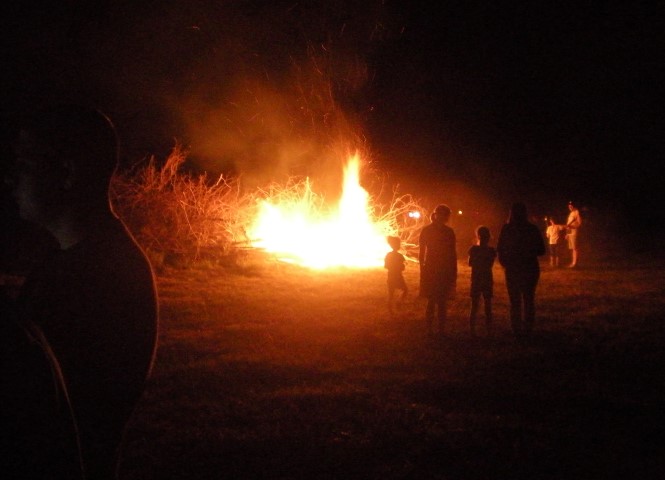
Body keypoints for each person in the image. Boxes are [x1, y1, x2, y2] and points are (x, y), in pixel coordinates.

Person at [7, 104, 159, 479]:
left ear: (67, 173)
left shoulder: (98, 278)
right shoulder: (77, 259)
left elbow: (35, 408)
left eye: (25, 164)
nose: (10, 179)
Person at [497, 202, 546, 340]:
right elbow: (541, 250)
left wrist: (505, 262)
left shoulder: (507, 228)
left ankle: (517, 329)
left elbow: (500, 248)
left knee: (515, 300)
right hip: (529, 267)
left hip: (514, 267)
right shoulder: (531, 229)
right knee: (528, 299)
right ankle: (527, 330)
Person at [419, 204, 457, 337]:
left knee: (440, 301)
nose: (444, 217)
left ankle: (439, 329)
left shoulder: (447, 232)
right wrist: (422, 269)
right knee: (434, 300)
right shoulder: (429, 230)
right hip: (433, 268)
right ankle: (432, 329)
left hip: (441, 268)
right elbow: (421, 252)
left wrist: (453, 270)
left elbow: (452, 253)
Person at [467, 225, 496, 337]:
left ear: (478, 236)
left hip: (476, 278)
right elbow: (490, 264)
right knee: (488, 305)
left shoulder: (473, 249)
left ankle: (472, 330)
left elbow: (470, 263)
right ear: (489, 237)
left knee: (474, 305)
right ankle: (489, 331)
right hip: (487, 278)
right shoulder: (491, 250)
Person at [384, 235, 408, 316]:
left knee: (391, 294)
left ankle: (391, 311)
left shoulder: (388, 255)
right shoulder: (399, 256)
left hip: (390, 276)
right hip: (397, 276)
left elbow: (386, 266)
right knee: (405, 290)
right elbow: (402, 267)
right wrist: (400, 267)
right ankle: (399, 302)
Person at [565, 200, 582, 268]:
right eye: (569, 206)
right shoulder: (571, 214)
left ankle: (575, 263)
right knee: (572, 248)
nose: (570, 207)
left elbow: (579, 223)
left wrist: (573, 226)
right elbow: (568, 225)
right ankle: (573, 263)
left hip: (574, 232)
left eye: (571, 206)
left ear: (574, 206)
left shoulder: (576, 212)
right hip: (570, 233)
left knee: (575, 248)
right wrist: (567, 233)